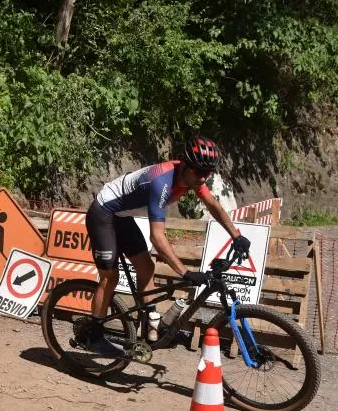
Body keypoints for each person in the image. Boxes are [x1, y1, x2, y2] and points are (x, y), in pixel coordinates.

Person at [83, 136, 250, 355]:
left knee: (146, 268)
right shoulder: (161, 182)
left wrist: (236, 236)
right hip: (104, 212)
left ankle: (150, 325)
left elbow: (213, 205)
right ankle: (93, 334)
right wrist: (185, 272)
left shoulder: (191, 179)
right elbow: (157, 238)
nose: (204, 178)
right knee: (110, 277)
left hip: (121, 216)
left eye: (208, 173)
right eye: (200, 172)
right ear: (186, 167)